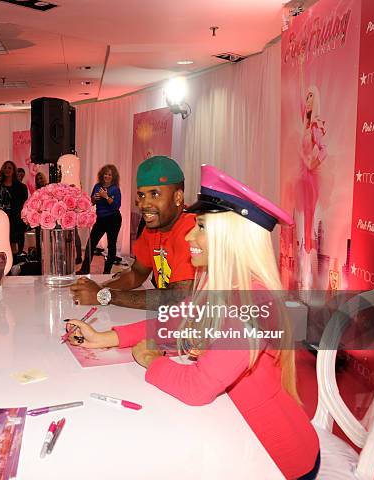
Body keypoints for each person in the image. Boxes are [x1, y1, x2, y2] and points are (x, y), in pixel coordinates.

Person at [66, 164, 320, 480]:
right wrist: (105, 337)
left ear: (231, 238)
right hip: (240, 436)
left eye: (201, 226)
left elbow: (197, 388)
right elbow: (175, 321)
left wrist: (149, 359)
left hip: (279, 461)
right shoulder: (224, 287)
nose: (190, 235)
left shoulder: (252, 303)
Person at [70, 156, 196, 310]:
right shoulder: (152, 229)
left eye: (154, 194)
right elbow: (137, 272)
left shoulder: (193, 230)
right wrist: (97, 288)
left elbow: (177, 298)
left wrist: (104, 296)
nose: (143, 204)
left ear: (178, 197)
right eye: (141, 195)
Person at [297, 59, 327, 290]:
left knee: (309, 224)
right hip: (303, 182)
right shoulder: (305, 127)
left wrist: (311, 164)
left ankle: (309, 277)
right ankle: (304, 275)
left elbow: (323, 150)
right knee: (303, 224)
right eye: (305, 97)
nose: (307, 101)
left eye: (310, 97)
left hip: (310, 180)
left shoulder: (315, 126)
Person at [77, 164, 122, 275]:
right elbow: (91, 202)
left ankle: (106, 272)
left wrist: (106, 197)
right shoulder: (97, 186)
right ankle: (84, 269)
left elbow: (116, 206)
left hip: (113, 219)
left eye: (110, 174)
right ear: (102, 175)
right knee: (90, 244)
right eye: (106, 174)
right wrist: (94, 199)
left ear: (113, 176)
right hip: (101, 219)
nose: (107, 176)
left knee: (111, 245)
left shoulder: (115, 189)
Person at [0, 161, 28, 255]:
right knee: (1, 244)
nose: (7, 170)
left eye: (9, 168)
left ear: (13, 170)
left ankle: (14, 263)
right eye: (5, 167)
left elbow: (24, 202)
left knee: (14, 244)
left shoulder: (21, 187)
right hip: (0, 218)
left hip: (15, 220)